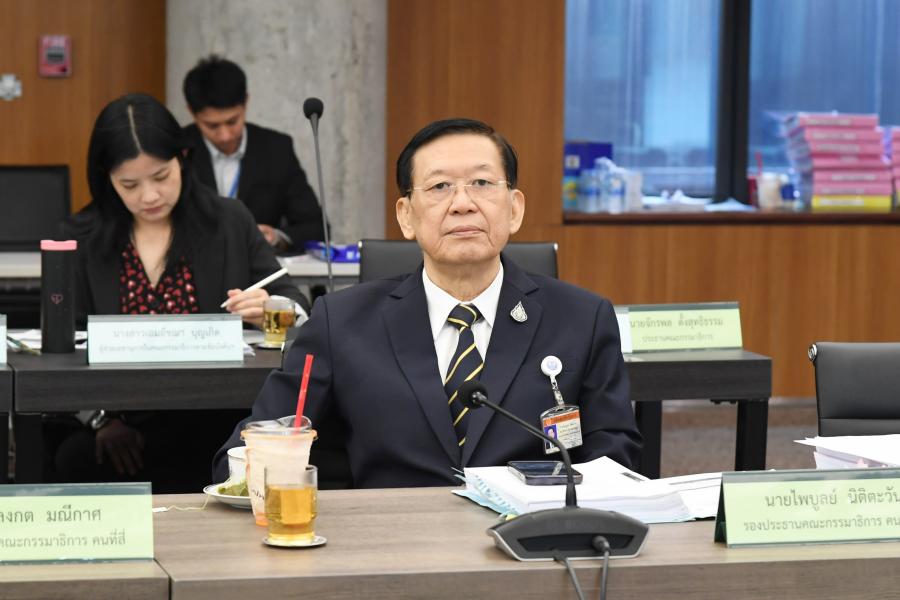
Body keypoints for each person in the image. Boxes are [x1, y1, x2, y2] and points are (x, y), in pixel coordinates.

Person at [213, 118, 641, 488]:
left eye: (482, 183)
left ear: (514, 208)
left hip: (529, 540)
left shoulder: (582, 320)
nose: (462, 204)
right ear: (406, 216)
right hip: (390, 543)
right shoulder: (339, 323)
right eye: (439, 187)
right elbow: (251, 450)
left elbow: (615, 456)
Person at [51, 93, 305, 492]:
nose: (149, 196)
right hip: (118, 416)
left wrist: (273, 308)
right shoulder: (80, 236)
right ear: (106, 177)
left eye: (161, 176)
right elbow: (62, 345)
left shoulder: (228, 221)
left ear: (183, 158)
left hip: (218, 415)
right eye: (130, 184)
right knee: (75, 457)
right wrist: (101, 419)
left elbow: (295, 302)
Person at [182, 55, 325, 252]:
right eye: (212, 126)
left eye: (232, 122)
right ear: (192, 112)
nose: (225, 136)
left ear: (246, 103)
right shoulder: (176, 150)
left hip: (257, 266)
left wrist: (276, 237)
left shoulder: (276, 149)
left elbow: (316, 227)